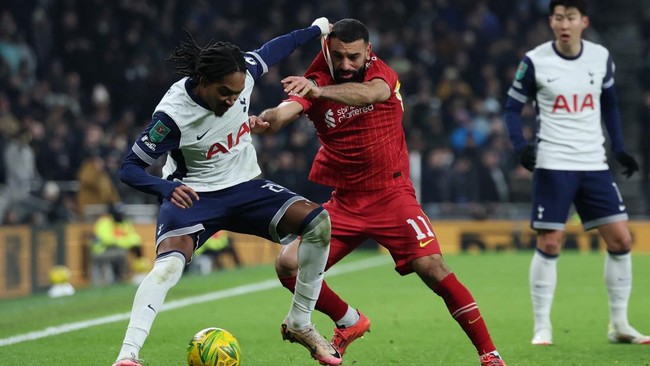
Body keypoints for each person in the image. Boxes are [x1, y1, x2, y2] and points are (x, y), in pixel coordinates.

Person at [252, 18, 506, 366]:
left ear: (367, 52)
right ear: (327, 49)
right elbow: (286, 110)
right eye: (338, 56)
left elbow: (371, 93)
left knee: (432, 266)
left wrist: (318, 93)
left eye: (353, 57)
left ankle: (489, 354)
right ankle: (349, 320)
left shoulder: (381, 73)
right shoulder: (316, 79)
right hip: (345, 202)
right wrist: (265, 119)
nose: (345, 65)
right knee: (287, 265)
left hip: (392, 195)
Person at [112, 19, 344, 366]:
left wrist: (316, 29)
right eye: (225, 94)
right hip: (194, 194)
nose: (233, 101)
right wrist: (166, 187)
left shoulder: (242, 74)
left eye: (238, 94)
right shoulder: (173, 115)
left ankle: (300, 322)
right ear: (203, 83)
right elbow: (128, 167)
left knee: (318, 223)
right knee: (167, 268)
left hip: (245, 185)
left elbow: (275, 49)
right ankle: (128, 355)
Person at [503, 0, 650, 346]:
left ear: (583, 21)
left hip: (594, 164)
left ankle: (619, 325)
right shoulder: (535, 60)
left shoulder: (600, 57)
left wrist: (618, 148)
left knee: (621, 239)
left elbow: (610, 103)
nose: (564, 24)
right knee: (550, 241)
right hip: (554, 164)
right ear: (551, 21)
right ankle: (542, 326)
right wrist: (519, 146)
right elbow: (512, 108)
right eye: (558, 17)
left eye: (570, 17)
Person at [92, 203, 142, 285]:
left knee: (133, 249)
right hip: (101, 251)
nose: (120, 216)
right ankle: (119, 278)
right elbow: (107, 240)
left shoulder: (125, 223)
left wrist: (122, 242)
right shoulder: (104, 222)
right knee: (121, 253)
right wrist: (125, 242)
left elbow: (135, 239)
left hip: (116, 250)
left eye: (121, 214)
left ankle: (130, 275)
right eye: (118, 214)